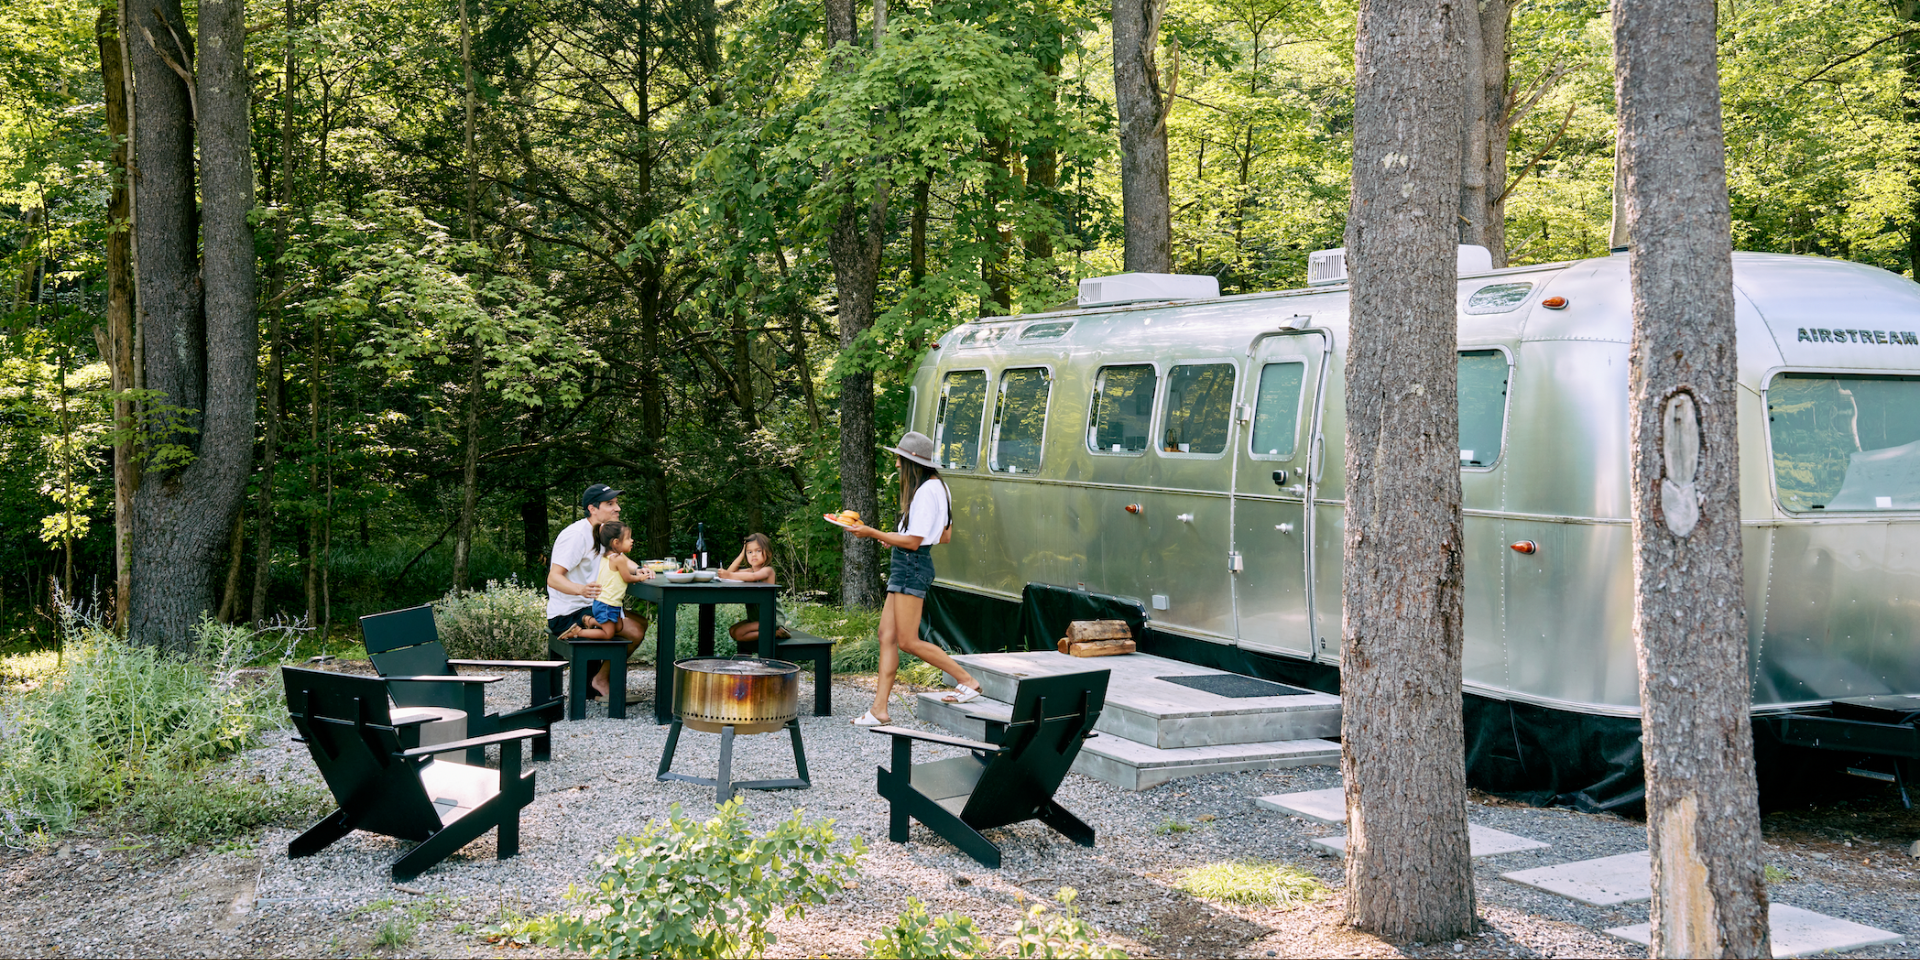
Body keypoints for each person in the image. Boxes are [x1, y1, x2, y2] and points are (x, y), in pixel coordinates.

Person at [843, 430, 982, 726]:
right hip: (908, 563)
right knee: (887, 636)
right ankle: (880, 710)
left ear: (911, 462)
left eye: (899, 459)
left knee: (907, 641)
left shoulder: (926, 492)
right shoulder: (939, 488)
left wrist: (872, 533)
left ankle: (967, 680)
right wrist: (895, 538)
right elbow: (943, 536)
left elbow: (916, 540)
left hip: (912, 565)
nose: (895, 465)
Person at [546, 483, 649, 699]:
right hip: (568, 613)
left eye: (617, 503)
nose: (617, 508)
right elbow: (553, 578)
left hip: (591, 605)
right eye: (610, 503)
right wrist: (580, 589)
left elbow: (619, 557)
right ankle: (601, 680)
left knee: (641, 622)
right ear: (592, 509)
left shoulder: (602, 532)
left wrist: (639, 569)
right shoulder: (575, 535)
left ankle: (600, 678)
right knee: (634, 631)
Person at [569, 521, 653, 644]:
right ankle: (577, 632)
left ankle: (591, 621)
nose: (632, 541)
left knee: (619, 627)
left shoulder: (607, 556)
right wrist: (640, 577)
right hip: (606, 604)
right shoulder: (618, 559)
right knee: (609, 633)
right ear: (616, 542)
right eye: (628, 538)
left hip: (611, 603)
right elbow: (627, 578)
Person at [720, 533, 790, 647]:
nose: (754, 555)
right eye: (750, 552)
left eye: (758, 551)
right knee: (732, 631)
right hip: (756, 618)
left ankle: (777, 633)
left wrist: (728, 575)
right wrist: (742, 554)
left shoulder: (768, 571)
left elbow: (750, 577)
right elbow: (730, 572)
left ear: (768, 553)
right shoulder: (749, 571)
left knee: (739, 634)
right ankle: (770, 633)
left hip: (771, 618)